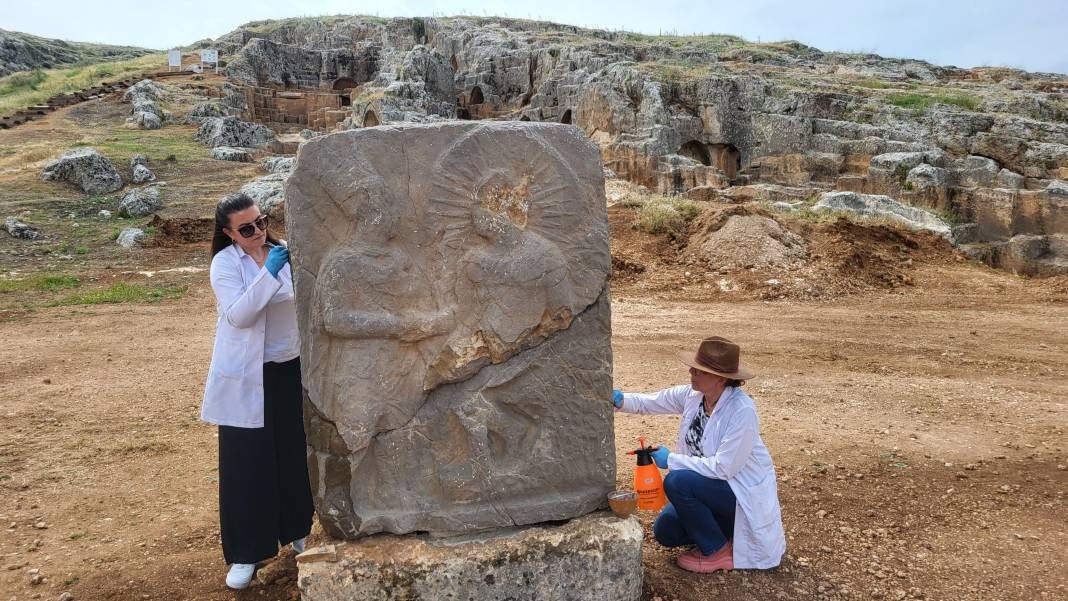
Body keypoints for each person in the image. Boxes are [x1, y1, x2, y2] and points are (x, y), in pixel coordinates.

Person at [201, 193, 314, 589]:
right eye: (247, 228)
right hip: (248, 375)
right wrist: (269, 273)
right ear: (229, 233)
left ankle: (298, 530)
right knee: (247, 463)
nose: (258, 232)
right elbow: (240, 314)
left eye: (261, 222)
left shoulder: (281, 251)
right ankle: (246, 553)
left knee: (291, 453)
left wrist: (279, 263)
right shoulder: (225, 264)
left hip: (288, 369)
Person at [612, 336, 785, 573]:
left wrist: (671, 460)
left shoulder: (741, 411)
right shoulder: (694, 396)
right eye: (695, 367)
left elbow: (724, 469)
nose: (692, 372)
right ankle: (724, 534)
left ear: (721, 378)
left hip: (736, 492)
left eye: (700, 371)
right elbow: (654, 401)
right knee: (666, 530)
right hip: (712, 491)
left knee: (677, 482)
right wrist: (621, 401)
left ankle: (717, 551)